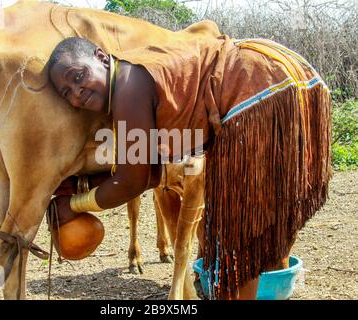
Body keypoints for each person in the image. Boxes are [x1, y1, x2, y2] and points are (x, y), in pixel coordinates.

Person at [47, 32, 332, 299]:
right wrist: (81, 187)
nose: (77, 92)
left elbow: (130, 182)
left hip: (257, 88)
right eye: (66, 92)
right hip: (284, 77)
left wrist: (73, 205)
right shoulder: (127, 83)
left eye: (78, 76)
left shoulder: (126, 85)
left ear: (101, 57)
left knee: (242, 235)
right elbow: (148, 175)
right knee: (260, 229)